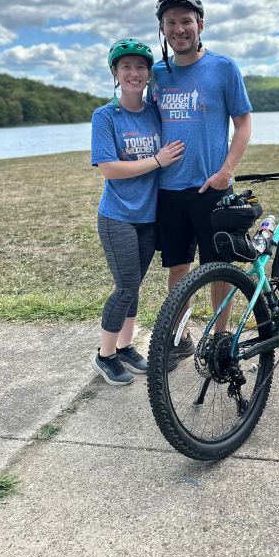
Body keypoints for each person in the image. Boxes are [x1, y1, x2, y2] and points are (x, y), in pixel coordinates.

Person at [150, 0, 252, 359]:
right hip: (169, 189)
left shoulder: (223, 68)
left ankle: (220, 338)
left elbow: (243, 124)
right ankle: (180, 336)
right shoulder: (156, 74)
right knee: (178, 268)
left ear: (200, 24)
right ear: (163, 29)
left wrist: (227, 172)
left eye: (186, 21)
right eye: (171, 23)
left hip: (212, 187)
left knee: (218, 269)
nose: (179, 29)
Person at [91, 38, 184, 385]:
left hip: (148, 216)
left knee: (135, 284)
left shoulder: (154, 113)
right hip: (117, 215)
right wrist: (156, 160)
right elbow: (109, 168)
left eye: (141, 67)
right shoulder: (105, 116)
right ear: (115, 73)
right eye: (126, 67)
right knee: (126, 286)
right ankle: (105, 355)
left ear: (149, 74)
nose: (134, 73)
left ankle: (126, 346)